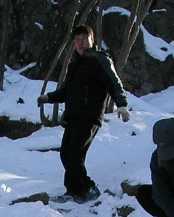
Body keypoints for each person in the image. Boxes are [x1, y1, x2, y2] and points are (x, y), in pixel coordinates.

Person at [37, 25, 130, 203]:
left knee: (74, 153)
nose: (80, 43)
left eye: (84, 39)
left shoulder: (99, 59)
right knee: (66, 154)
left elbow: (113, 82)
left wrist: (122, 104)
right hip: (74, 115)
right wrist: (48, 97)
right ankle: (74, 190)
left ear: (91, 40)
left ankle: (87, 188)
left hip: (90, 115)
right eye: (77, 40)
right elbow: (66, 91)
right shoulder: (76, 64)